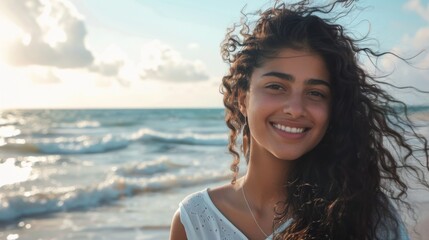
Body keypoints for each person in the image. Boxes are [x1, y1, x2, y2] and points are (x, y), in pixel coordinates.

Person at [169, 0, 429, 239]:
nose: (295, 109)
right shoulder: (194, 222)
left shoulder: (368, 216)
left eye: (315, 93)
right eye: (276, 86)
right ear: (241, 98)